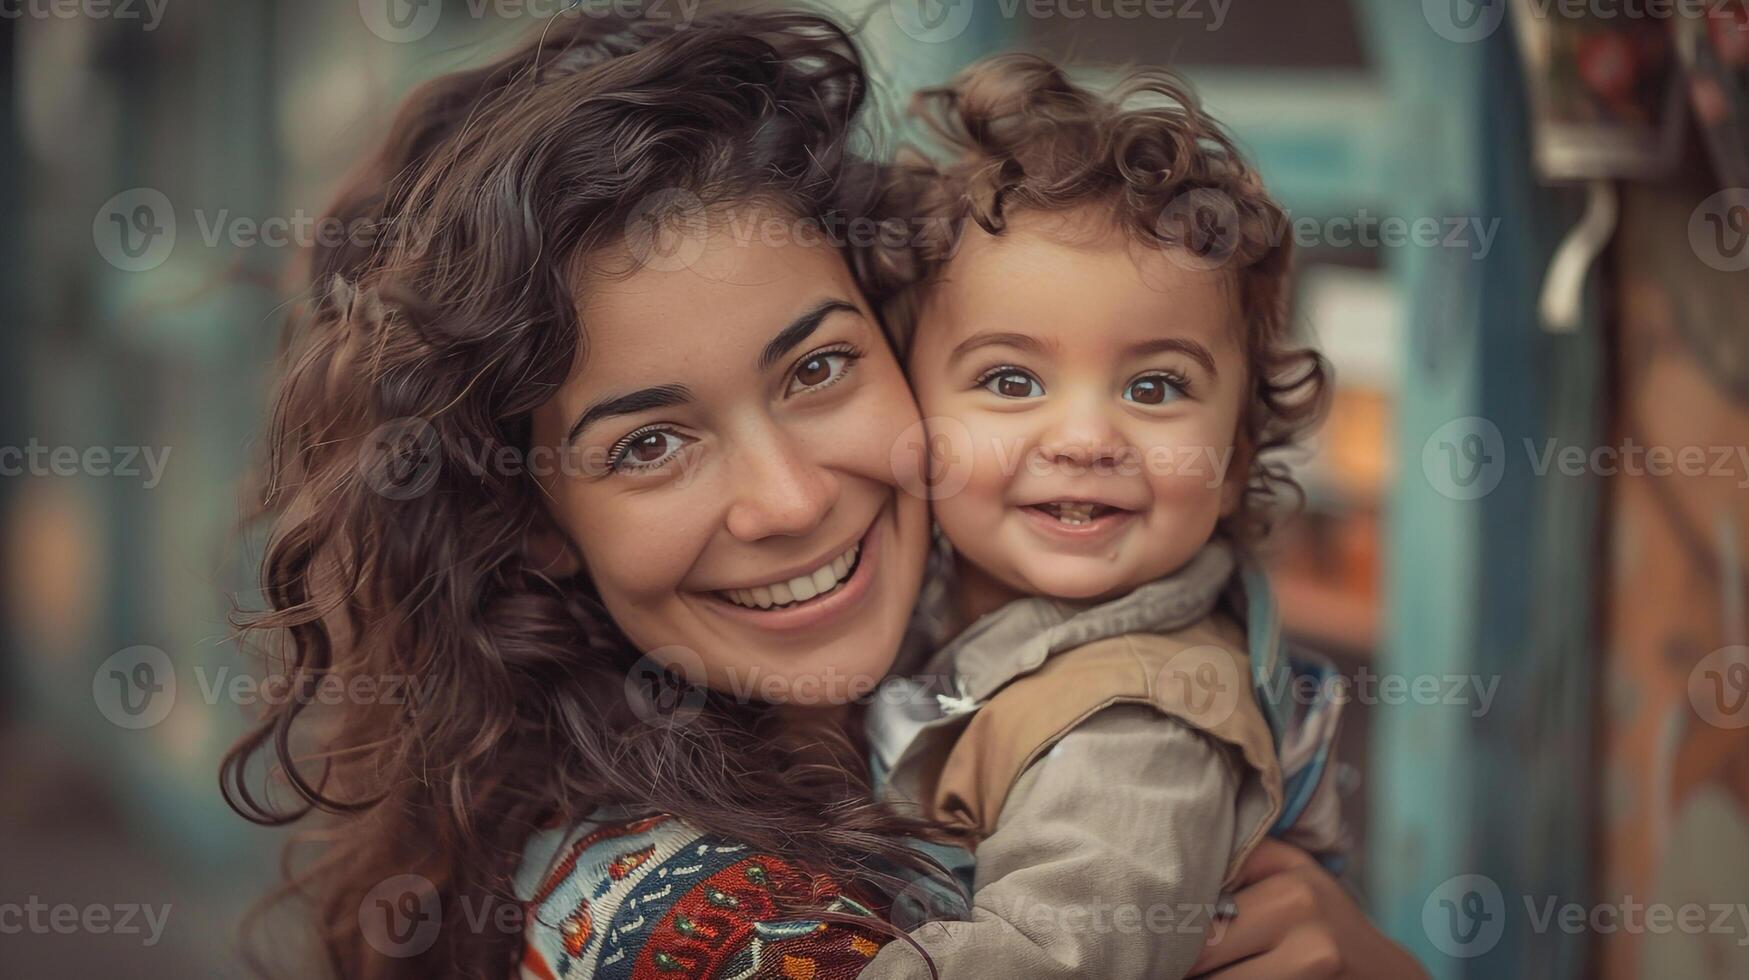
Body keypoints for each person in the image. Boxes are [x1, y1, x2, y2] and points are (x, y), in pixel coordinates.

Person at [222, 8, 1425, 980]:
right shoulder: (683, 917)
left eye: (816, 366)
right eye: (649, 445)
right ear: (532, 519)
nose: (788, 500)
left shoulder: (1059, 674)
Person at [851, 53, 1345, 979]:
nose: (1084, 437)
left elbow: (1045, 960)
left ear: (1235, 459)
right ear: (910, 414)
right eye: (1010, 380)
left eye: (1154, 386)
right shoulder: (924, 601)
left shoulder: (1143, 723)